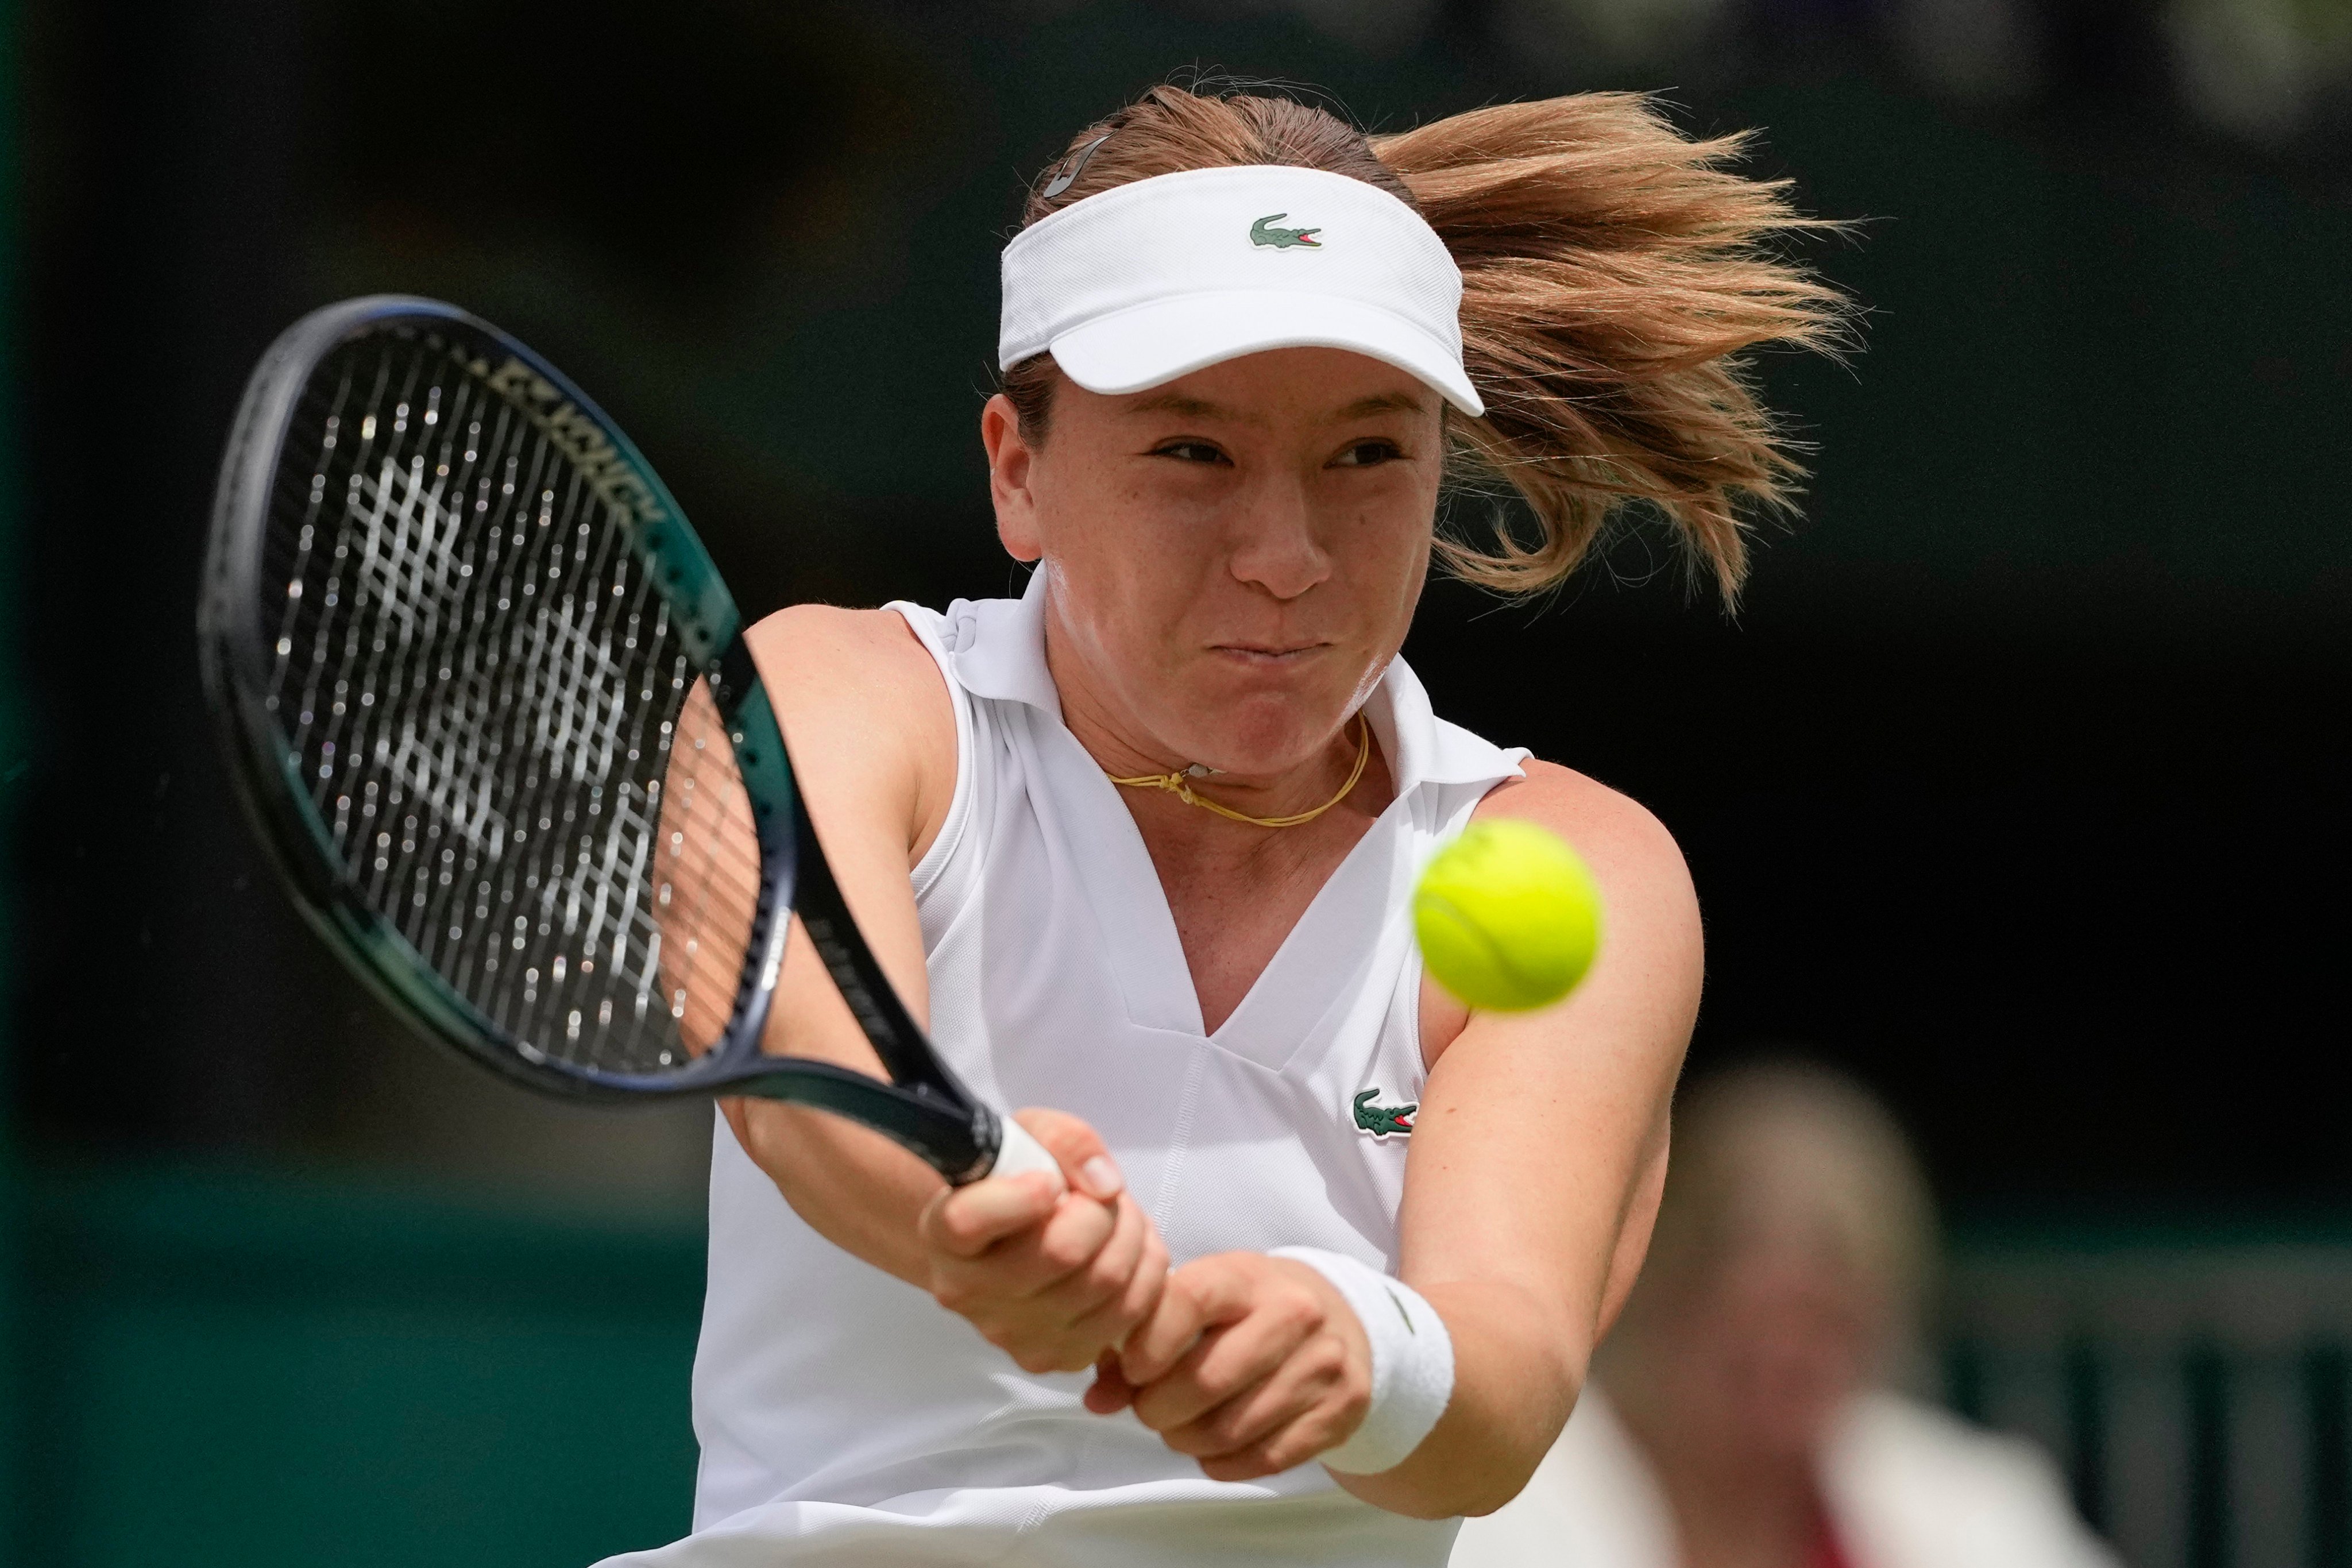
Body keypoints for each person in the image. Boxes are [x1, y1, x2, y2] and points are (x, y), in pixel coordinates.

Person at [603, 84, 1843, 1567]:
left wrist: (1359, 1352)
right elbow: (809, 1079)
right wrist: (969, 1203)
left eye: (1365, 456)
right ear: (1017, 470)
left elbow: (1500, 1371)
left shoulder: (1578, 861)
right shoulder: (838, 700)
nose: (1283, 556)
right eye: (1191, 454)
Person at [1451, 1061, 2123, 1568]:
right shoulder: (1496, 1500)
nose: (1784, 1359)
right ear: (1659, 1298)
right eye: (1749, 1330)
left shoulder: (1967, 1504)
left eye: (1824, 1327)